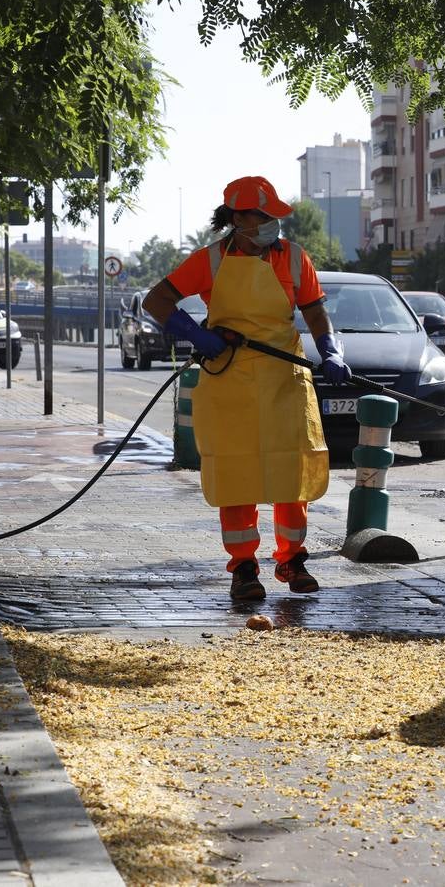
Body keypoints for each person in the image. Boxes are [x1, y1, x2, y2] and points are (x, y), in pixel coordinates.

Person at [142, 176, 351, 601]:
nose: (274, 223)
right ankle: (243, 568)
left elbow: (315, 313)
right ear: (239, 218)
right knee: (238, 476)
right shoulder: (210, 261)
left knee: (290, 473)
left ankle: (292, 558)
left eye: (274, 215)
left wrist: (330, 351)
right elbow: (156, 301)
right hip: (230, 380)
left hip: (283, 380)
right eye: (264, 215)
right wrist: (196, 336)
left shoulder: (294, 258)